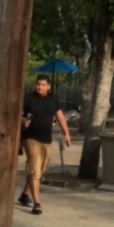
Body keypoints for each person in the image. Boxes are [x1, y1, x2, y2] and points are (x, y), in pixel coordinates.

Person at [18, 74, 70, 216]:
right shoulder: (28, 99)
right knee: (34, 169)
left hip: (46, 140)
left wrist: (66, 133)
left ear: (48, 86)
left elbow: (60, 116)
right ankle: (37, 203)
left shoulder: (52, 99)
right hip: (31, 138)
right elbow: (18, 114)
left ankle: (24, 196)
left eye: (42, 85)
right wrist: (23, 120)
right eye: (38, 84)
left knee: (39, 171)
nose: (40, 87)